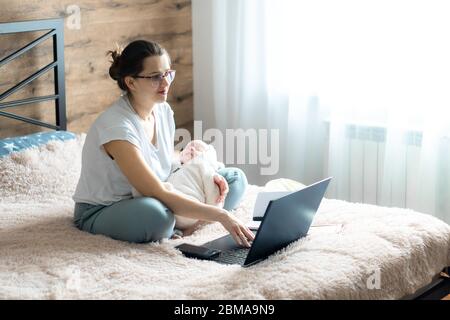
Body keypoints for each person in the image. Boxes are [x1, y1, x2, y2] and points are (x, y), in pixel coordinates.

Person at [72, 40, 254, 247]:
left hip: (156, 191)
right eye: (156, 77)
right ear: (131, 82)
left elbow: (163, 168)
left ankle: (187, 222)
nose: (166, 83)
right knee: (159, 217)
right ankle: (185, 222)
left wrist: (204, 173)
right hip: (108, 207)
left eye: (167, 73)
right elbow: (156, 191)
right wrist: (221, 215)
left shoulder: (162, 110)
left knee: (235, 180)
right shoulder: (117, 129)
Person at [132, 139, 225, 234]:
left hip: (191, 208)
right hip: (169, 205)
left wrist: (215, 211)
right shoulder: (174, 165)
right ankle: (174, 230)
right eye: (188, 147)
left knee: (163, 191)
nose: (192, 149)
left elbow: (213, 192)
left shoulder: (202, 166)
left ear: (206, 156)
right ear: (181, 154)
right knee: (150, 189)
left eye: (199, 149)